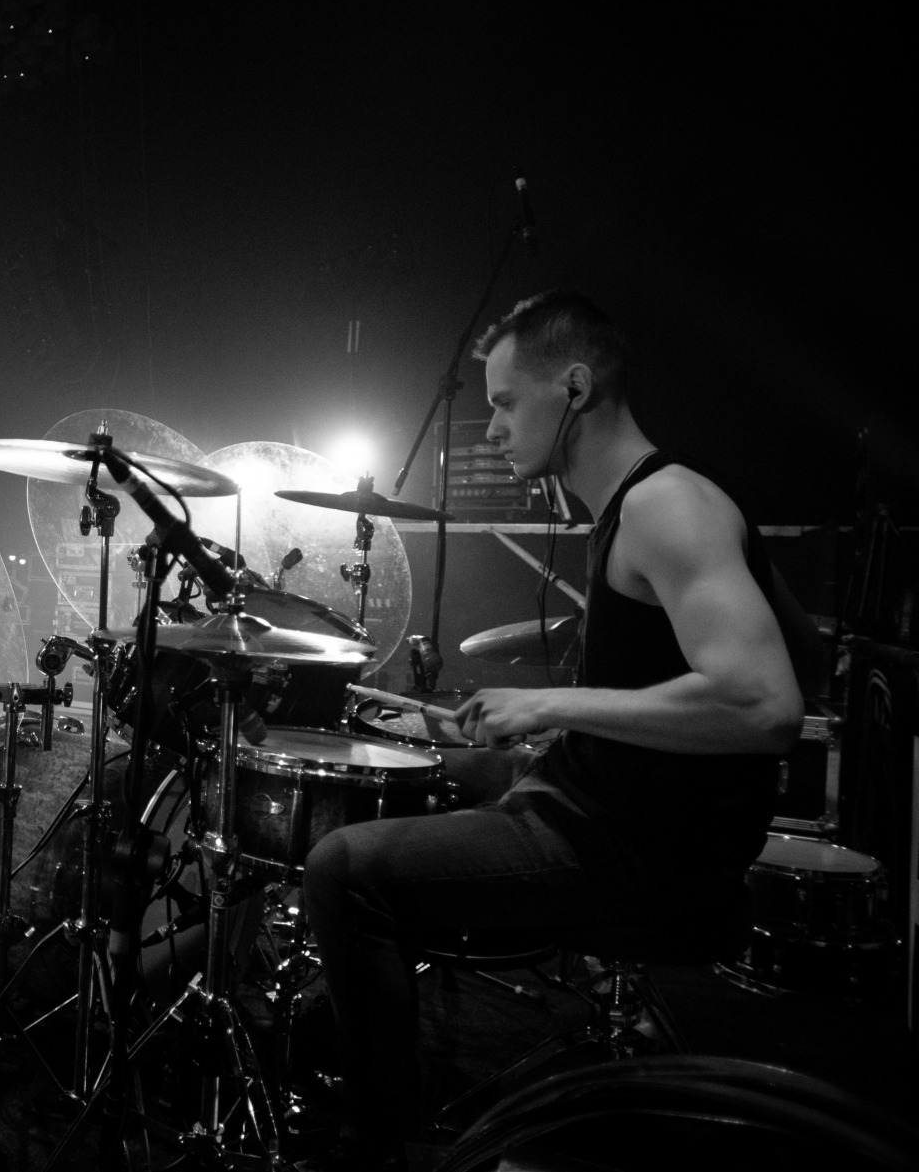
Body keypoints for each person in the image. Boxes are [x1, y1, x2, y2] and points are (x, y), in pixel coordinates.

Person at [299, 291, 806, 1171]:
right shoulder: (622, 509)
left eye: (503, 400)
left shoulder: (667, 505)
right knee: (414, 768)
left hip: (645, 854)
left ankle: (388, 1149)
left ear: (575, 387)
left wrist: (549, 707)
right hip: (605, 803)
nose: (490, 425)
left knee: (344, 871)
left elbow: (764, 706)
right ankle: (335, 1035)